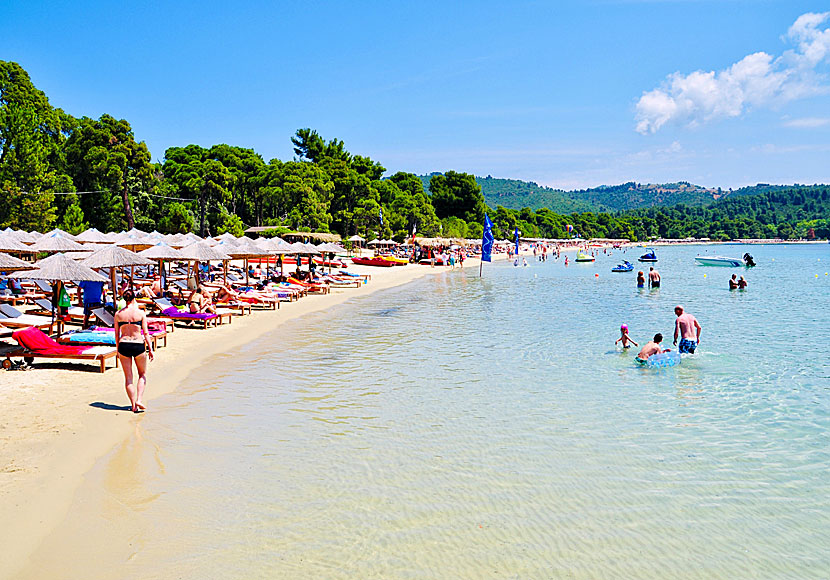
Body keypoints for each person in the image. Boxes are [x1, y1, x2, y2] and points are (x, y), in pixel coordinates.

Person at [114, 289, 154, 413]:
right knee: (142, 374)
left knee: (128, 378)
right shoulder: (141, 313)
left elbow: (116, 334)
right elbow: (146, 333)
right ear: (134, 298)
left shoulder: (118, 314)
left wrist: (117, 349)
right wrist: (150, 349)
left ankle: (133, 405)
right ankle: (139, 399)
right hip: (138, 344)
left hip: (124, 344)